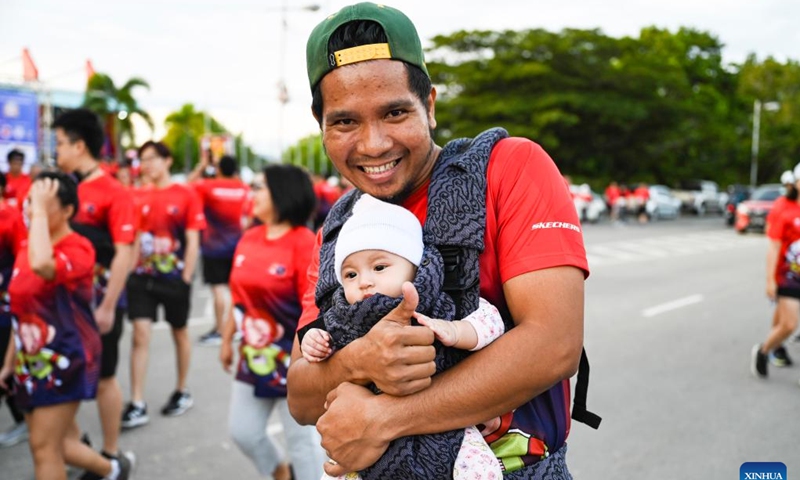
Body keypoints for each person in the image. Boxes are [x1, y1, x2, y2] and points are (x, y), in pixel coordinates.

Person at [287, 3, 589, 478]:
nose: (373, 144)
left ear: (429, 105)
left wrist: (383, 419)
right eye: (345, 122)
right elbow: (301, 396)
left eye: (394, 112)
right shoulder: (340, 229)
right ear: (319, 122)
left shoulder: (508, 169)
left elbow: (554, 344)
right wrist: (358, 360)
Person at [301, 194, 505, 478]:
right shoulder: (341, 318)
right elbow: (320, 361)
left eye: (380, 267)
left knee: (482, 470)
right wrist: (316, 342)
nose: (365, 281)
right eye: (350, 275)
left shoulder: (440, 306)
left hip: (442, 420)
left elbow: (491, 321)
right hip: (364, 433)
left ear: (414, 266)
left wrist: (456, 331)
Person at [0, 171, 133, 480]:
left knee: (43, 447)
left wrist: (39, 217)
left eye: (43, 203)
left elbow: (44, 265)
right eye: (30, 201)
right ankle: (113, 469)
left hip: (67, 359)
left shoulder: (79, 248)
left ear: (68, 211)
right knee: (57, 444)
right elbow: (21, 312)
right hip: (30, 363)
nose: (32, 209)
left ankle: (112, 469)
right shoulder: (27, 249)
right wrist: (9, 364)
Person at [218, 164, 325, 480]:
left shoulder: (304, 242)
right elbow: (238, 299)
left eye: (259, 187)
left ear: (281, 192)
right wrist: (227, 340)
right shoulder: (249, 237)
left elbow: (314, 310)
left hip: (296, 360)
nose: (251, 193)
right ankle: (280, 472)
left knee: (304, 446)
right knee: (243, 432)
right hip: (252, 357)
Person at [52, 108, 136, 480]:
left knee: (104, 378)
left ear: (79, 145)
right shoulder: (62, 187)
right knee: (62, 376)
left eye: (58, 143)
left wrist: (106, 306)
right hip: (63, 304)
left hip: (101, 304)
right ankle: (78, 445)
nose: (56, 151)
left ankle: (111, 455)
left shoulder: (114, 191)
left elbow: (125, 252)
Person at [122, 141, 206, 428]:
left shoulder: (185, 194)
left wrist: (186, 278)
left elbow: (193, 239)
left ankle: (182, 390)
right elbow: (134, 238)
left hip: (174, 279)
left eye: (153, 158)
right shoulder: (136, 195)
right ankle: (136, 402)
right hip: (142, 278)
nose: (147, 164)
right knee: (139, 335)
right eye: (143, 159)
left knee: (179, 333)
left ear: (167, 161)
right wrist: (130, 272)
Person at [191, 155, 249, 346]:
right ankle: (237, 328)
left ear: (219, 169)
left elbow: (184, 188)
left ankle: (219, 329)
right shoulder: (243, 188)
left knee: (217, 289)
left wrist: (201, 168)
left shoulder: (208, 186)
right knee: (235, 290)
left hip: (212, 247)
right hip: (238, 245)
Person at [753, 167, 800, 377]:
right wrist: (770, 280)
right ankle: (764, 350)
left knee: (783, 321)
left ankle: (775, 347)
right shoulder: (784, 208)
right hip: (789, 276)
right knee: (789, 325)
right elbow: (774, 246)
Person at [0, 171, 28, 448]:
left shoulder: (11, 217)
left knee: (7, 366)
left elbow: (23, 259)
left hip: (7, 307)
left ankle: (24, 419)